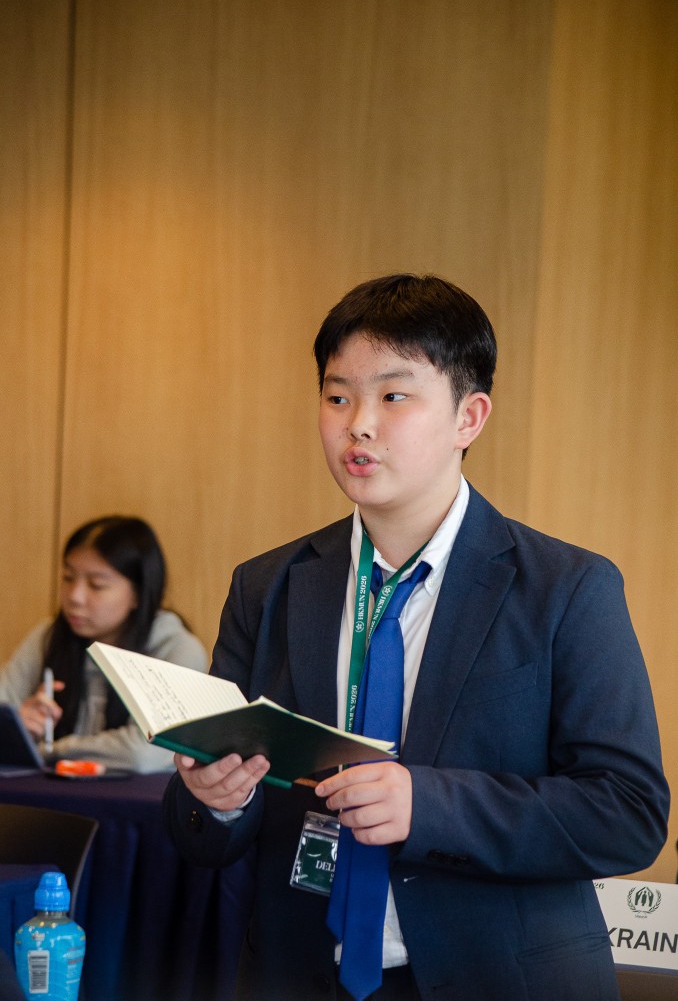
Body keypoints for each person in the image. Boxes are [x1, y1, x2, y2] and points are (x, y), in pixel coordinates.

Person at [163, 274, 669, 1001]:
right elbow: (206, 831)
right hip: (299, 973)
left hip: (501, 979)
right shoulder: (267, 585)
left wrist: (427, 805)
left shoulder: (567, 588)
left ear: (470, 417)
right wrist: (216, 798)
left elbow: (627, 813)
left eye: (394, 397)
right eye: (338, 397)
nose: (359, 425)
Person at [0, 515, 208, 773]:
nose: (74, 597)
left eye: (96, 585)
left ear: (138, 594)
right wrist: (17, 727)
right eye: (68, 577)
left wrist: (50, 750)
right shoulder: (49, 635)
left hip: (139, 799)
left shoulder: (177, 649)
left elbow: (145, 753)